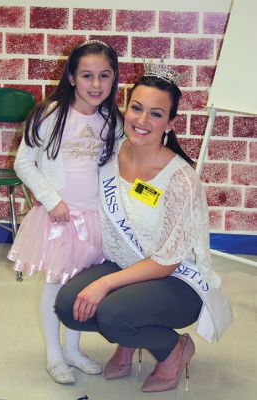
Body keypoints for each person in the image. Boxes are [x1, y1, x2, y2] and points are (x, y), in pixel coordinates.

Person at [55, 65, 233, 392]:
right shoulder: (113, 150)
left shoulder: (181, 179)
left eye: (155, 114)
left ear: (170, 122)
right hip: (126, 264)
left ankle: (173, 348)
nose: (141, 120)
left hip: (176, 279)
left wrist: (105, 284)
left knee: (111, 314)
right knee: (68, 305)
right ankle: (129, 337)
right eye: (136, 108)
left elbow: (168, 261)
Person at [7, 40, 123, 384]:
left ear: (113, 78)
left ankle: (73, 349)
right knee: (55, 287)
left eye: (104, 76)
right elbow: (24, 162)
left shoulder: (110, 120)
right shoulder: (51, 114)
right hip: (60, 219)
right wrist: (50, 198)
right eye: (87, 75)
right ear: (72, 77)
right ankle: (54, 355)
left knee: (81, 289)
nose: (96, 84)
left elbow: (114, 167)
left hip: (95, 220)